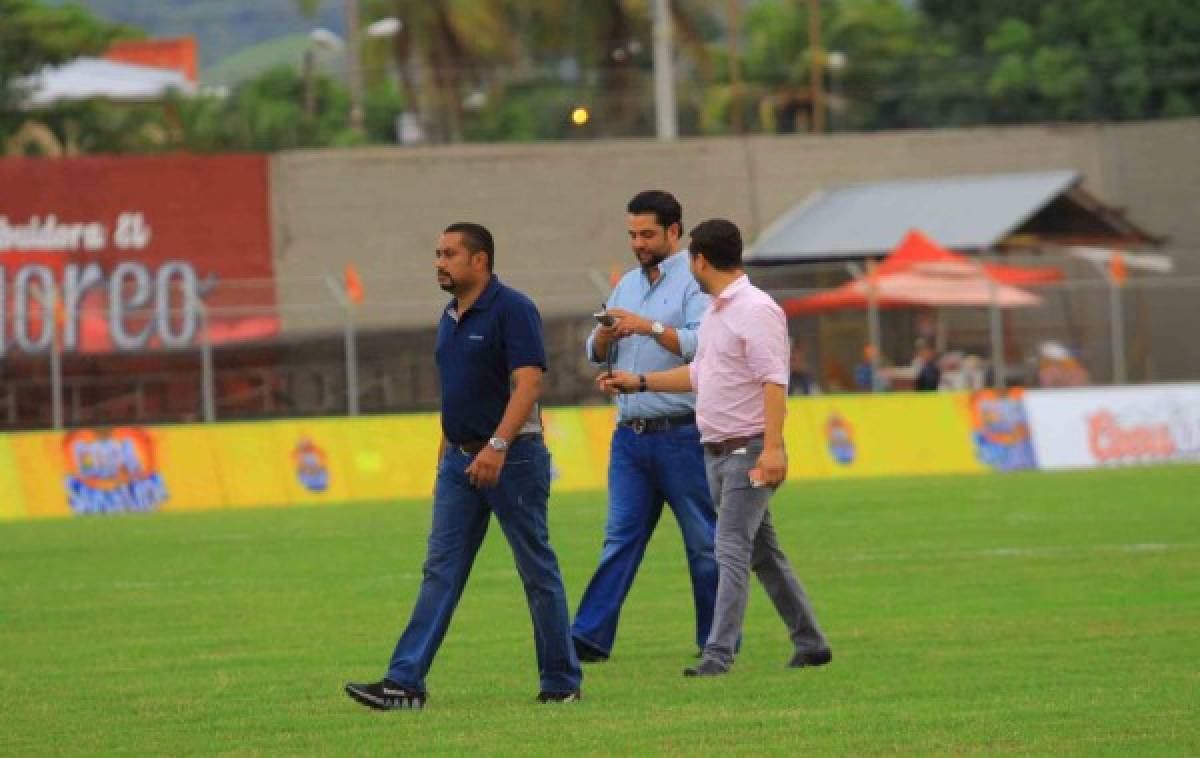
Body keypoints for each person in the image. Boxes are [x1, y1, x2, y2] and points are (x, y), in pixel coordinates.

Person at [344, 222, 582, 709]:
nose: (439, 262)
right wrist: (446, 454)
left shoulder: (513, 308)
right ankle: (404, 682)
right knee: (440, 571)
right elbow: (457, 395)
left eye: (449, 253)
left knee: (536, 570)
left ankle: (561, 683)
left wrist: (496, 445)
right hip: (458, 462)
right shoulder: (449, 316)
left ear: (480, 260)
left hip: (512, 458)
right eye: (437, 253)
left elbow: (529, 385)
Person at [599, 218, 830, 678]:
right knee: (763, 553)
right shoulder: (718, 311)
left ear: (700, 260)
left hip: (747, 450)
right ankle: (811, 642)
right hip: (716, 450)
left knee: (728, 547)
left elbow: (774, 381)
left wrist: (773, 448)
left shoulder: (756, 309)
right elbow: (699, 375)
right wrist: (638, 382)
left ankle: (717, 654)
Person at [571, 190, 718, 663]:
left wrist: (647, 327)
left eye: (648, 234)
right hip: (631, 436)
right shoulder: (626, 286)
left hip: (683, 431)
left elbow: (704, 346)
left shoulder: (695, 283)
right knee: (619, 539)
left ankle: (715, 642)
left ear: (674, 232)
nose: (639, 243)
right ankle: (588, 639)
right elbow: (594, 350)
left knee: (702, 543)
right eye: (633, 234)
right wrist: (603, 336)